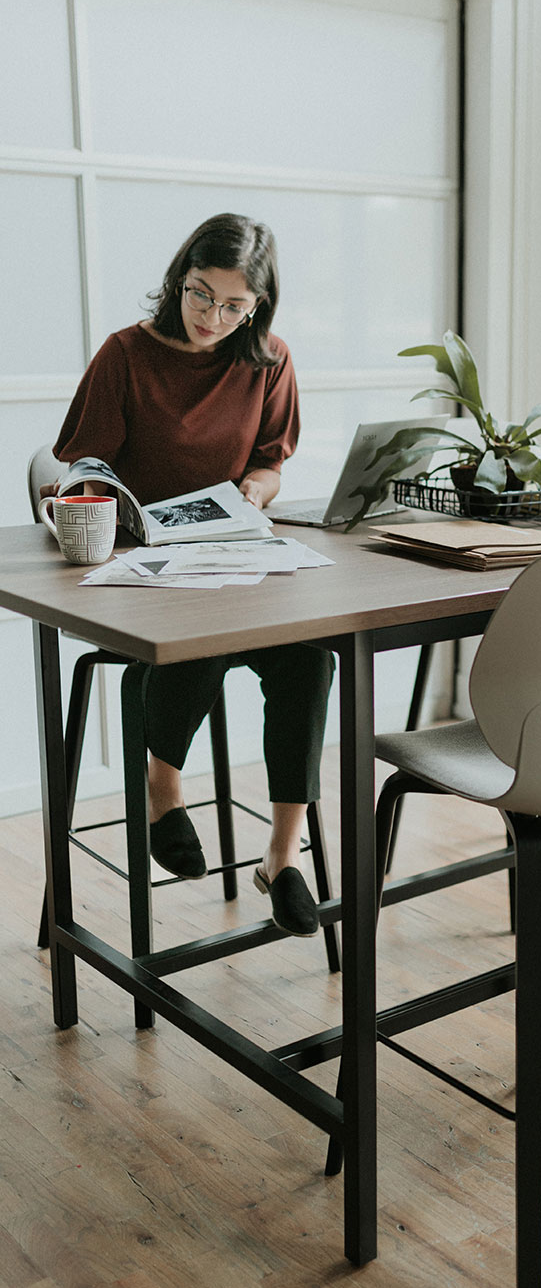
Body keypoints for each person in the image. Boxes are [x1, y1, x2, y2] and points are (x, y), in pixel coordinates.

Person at [53, 213, 333, 937]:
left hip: (233, 553)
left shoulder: (268, 359)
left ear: (259, 305)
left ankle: (282, 858)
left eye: (234, 305)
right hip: (143, 566)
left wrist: (254, 496)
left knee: (311, 658)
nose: (213, 317)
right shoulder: (127, 355)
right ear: (180, 279)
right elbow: (82, 467)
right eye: (200, 294)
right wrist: (107, 512)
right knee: (201, 638)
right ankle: (162, 791)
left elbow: (270, 462)